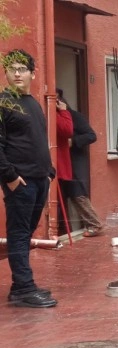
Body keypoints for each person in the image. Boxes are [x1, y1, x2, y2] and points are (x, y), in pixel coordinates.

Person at [0, 49, 57, 308]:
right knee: (19, 234)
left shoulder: (32, 103)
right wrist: (10, 177)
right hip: (20, 181)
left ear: (33, 74)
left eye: (22, 69)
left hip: (39, 179)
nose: (17, 73)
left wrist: (48, 169)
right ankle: (24, 289)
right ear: (6, 74)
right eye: (12, 69)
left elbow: (35, 140)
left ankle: (19, 287)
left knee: (26, 233)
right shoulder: (4, 103)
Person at [56, 89, 103, 237]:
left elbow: (91, 135)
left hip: (75, 161)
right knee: (60, 197)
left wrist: (73, 141)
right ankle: (64, 230)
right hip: (61, 161)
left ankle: (95, 225)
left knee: (78, 194)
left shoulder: (75, 116)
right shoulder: (53, 118)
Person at [54, 94, 74, 236]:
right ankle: (60, 232)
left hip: (59, 166)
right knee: (58, 203)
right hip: (56, 166)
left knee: (61, 202)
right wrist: (64, 111)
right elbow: (67, 130)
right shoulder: (54, 114)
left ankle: (63, 232)